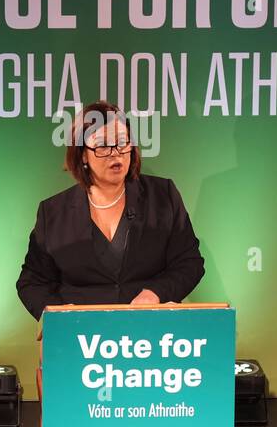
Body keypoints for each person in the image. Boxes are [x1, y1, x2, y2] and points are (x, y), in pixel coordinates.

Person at [16, 100, 204, 319]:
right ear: (83, 154)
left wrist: (155, 293)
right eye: (103, 145)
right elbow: (32, 282)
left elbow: (189, 263)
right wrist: (60, 316)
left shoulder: (163, 196)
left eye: (122, 142)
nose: (116, 153)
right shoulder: (54, 213)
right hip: (81, 337)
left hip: (151, 331)